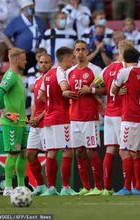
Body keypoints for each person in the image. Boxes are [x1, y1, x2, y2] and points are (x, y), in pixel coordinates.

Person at [66, 40, 104, 196]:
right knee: (79, 152)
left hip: (90, 117)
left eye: (83, 49)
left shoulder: (96, 70)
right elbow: (65, 90)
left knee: (91, 151)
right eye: (77, 50)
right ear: (74, 53)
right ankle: (86, 187)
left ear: (87, 52)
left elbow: (105, 89)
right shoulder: (70, 72)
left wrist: (92, 90)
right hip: (74, 117)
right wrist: (66, 93)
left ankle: (99, 187)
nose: (80, 52)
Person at [39, 46, 77, 196]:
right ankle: (66, 187)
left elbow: (41, 95)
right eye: (71, 58)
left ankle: (51, 188)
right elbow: (64, 87)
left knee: (51, 152)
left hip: (48, 118)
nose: (72, 61)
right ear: (66, 58)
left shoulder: (48, 74)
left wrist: (51, 103)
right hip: (61, 118)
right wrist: (66, 93)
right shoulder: (61, 72)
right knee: (68, 151)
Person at [97, 40, 133, 195]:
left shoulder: (107, 69)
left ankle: (106, 188)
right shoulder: (127, 69)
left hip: (109, 114)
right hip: (121, 114)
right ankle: (128, 186)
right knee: (125, 151)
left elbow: (95, 85)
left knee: (110, 150)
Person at [112, 47, 140, 195]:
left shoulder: (124, 72)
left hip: (129, 117)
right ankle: (138, 187)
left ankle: (127, 187)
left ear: (124, 59)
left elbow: (113, 89)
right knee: (138, 153)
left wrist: (118, 91)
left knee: (124, 151)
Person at [0, 48, 28, 196]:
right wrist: (4, 112)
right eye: (24, 58)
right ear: (16, 60)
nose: (26, 61)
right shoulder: (10, 76)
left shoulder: (17, 76)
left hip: (20, 122)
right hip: (11, 123)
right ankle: (8, 187)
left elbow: (17, 100)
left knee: (23, 154)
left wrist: (24, 116)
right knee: (13, 153)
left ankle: (21, 186)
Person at [27, 53, 53, 196]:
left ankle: (51, 187)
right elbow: (36, 103)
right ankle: (41, 185)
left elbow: (52, 104)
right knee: (30, 154)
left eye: (46, 62)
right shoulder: (37, 81)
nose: (43, 65)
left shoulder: (52, 80)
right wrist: (32, 117)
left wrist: (39, 118)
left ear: (51, 63)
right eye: (41, 62)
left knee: (50, 155)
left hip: (47, 123)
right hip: (36, 123)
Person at [2, 0, 46, 73]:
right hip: (22, 55)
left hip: (37, 55)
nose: (31, 8)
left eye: (32, 6)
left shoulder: (40, 20)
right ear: (22, 9)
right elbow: (5, 36)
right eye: (29, 7)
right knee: (22, 76)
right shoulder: (16, 21)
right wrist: (12, 49)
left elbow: (45, 35)